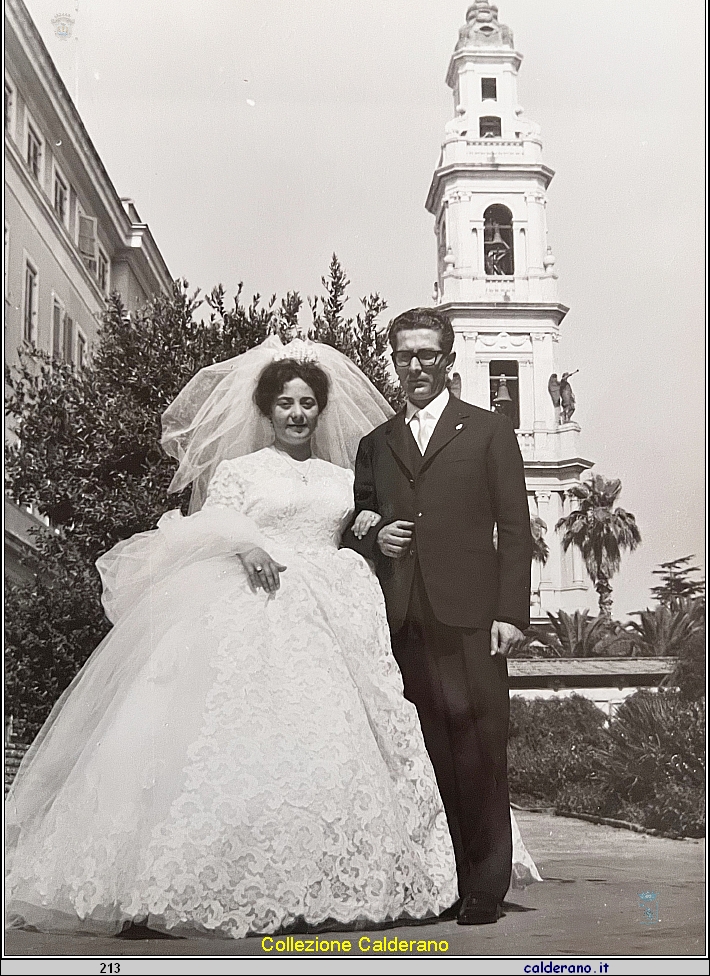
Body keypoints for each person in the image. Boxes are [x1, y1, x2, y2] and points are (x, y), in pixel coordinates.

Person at [6, 336, 538, 940]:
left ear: (320, 409)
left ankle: (337, 879)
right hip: (259, 607)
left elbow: (366, 525)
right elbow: (202, 526)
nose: (296, 413)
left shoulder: (346, 472)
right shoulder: (240, 471)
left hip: (335, 615)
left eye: (307, 403)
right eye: (284, 403)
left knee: (338, 743)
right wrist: (247, 544)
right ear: (266, 409)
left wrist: (366, 527)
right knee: (239, 744)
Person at [342, 309, 534, 926]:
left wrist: (511, 612)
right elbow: (355, 524)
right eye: (405, 356)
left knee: (480, 746)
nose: (416, 367)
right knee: (431, 753)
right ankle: (445, 878)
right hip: (406, 619)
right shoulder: (375, 443)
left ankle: (485, 888)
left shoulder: (487, 430)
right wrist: (375, 539)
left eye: (427, 355)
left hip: (475, 616)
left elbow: (516, 525)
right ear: (393, 362)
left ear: (447, 359)